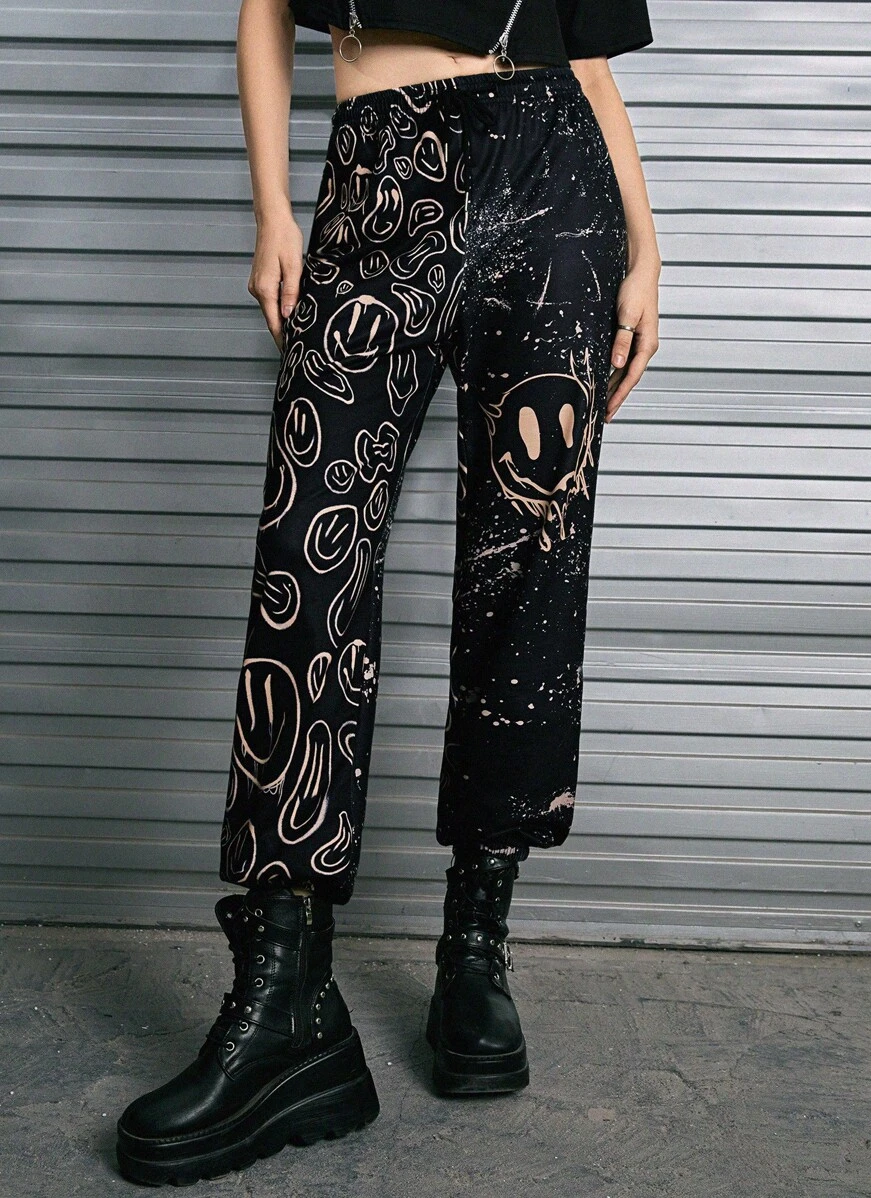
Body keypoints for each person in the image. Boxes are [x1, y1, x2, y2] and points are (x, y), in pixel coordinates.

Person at [116, 0, 660, 1185]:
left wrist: (645, 244)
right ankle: (289, 998)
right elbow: (265, 11)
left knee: (529, 563)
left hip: (554, 178)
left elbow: (587, 57)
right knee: (308, 560)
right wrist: (273, 206)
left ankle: (476, 943)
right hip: (378, 174)